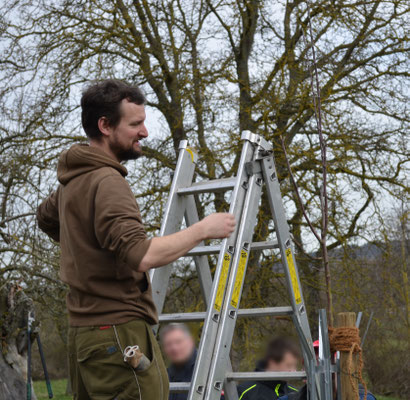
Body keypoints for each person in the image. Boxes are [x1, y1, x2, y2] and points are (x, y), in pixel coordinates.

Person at [36, 79, 236, 400]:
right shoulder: (107, 181)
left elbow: (46, 218)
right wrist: (203, 229)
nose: (144, 132)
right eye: (136, 124)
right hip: (118, 332)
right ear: (105, 126)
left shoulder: (72, 181)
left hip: (84, 337)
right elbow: (140, 255)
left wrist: (88, 252)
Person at [160, 323, 197, 400]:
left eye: (178, 342)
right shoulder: (165, 376)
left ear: (191, 342)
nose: (174, 348)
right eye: (168, 344)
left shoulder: (209, 370)